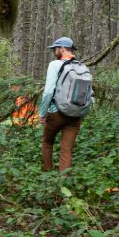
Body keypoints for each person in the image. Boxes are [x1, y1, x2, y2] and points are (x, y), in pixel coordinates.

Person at [39, 37, 82, 171]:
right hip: (76, 114)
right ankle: (64, 182)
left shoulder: (55, 65)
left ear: (62, 49)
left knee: (47, 142)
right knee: (66, 149)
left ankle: (47, 172)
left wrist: (42, 113)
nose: (54, 52)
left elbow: (48, 92)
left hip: (57, 112)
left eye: (55, 49)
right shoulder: (81, 66)